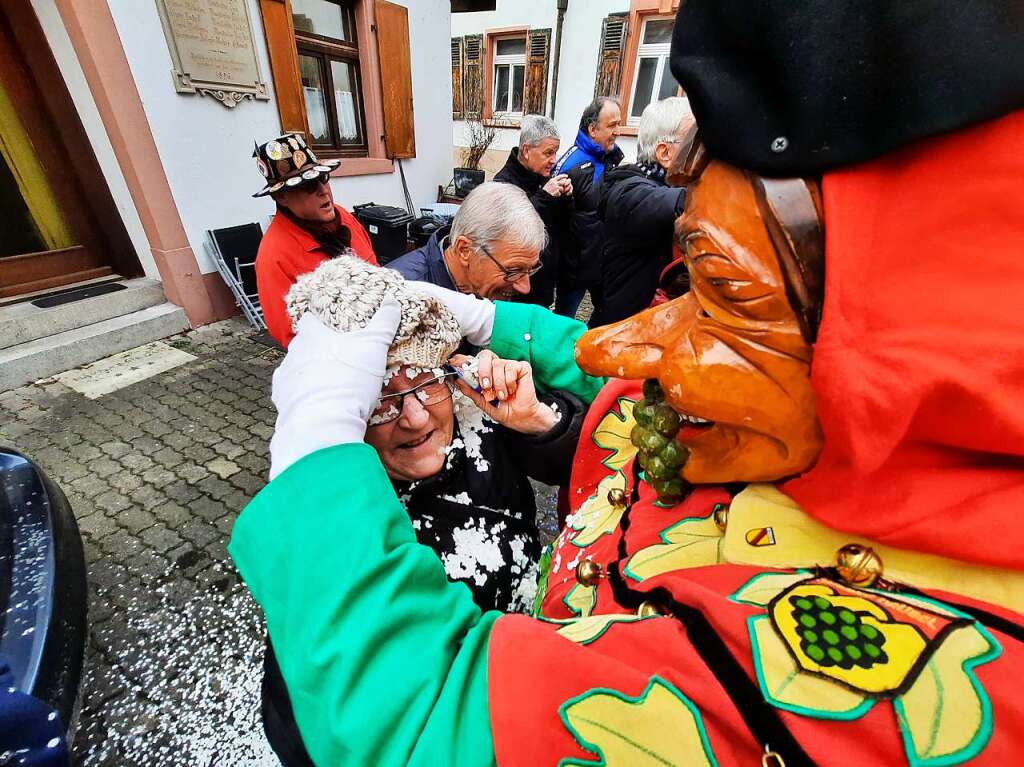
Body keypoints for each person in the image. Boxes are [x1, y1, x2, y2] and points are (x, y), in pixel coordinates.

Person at [230, 2, 1024, 765]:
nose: (625, 350)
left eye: (723, 289)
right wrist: (483, 324)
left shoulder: (881, 672)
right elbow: (672, 403)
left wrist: (313, 443)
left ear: (891, 322)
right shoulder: (861, 444)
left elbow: (428, 719)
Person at [260, 256, 588, 765]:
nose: (414, 418)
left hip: (522, 673)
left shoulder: (476, 416)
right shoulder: (348, 528)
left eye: (423, 383)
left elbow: (579, 458)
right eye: (381, 402)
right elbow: (322, 711)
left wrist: (541, 420)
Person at [251, 133, 377, 347]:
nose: (323, 190)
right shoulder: (274, 257)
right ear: (282, 197)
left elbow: (376, 273)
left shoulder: (344, 217)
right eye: (309, 185)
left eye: (323, 178)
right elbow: (293, 337)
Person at [594, 97, 692, 325]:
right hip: (625, 332)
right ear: (665, 152)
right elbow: (657, 202)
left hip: (657, 327)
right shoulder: (627, 189)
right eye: (695, 143)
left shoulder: (669, 186)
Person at [386, 182, 546, 301]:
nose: (526, 287)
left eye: (530, 269)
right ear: (464, 250)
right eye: (513, 270)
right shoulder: (397, 297)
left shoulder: (485, 284)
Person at [552, 97, 625, 320]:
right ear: (593, 129)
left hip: (603, 262)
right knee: (563, 321)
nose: (618, 131)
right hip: (575, 269)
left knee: (608, 313)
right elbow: (553, 220)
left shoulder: (611, 158)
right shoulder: (570, 164)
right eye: (612, 125)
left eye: (619, 124)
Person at [494, 115, 572, 308]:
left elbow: (562, 227)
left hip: (544, 288)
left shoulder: (543, 178)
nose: (554, 160)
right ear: (527, 150)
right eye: (548, 153)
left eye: (556, 153)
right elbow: (510, 230)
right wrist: (544, 198)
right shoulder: (502, 183)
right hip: (517, 294)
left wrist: (567, 197)